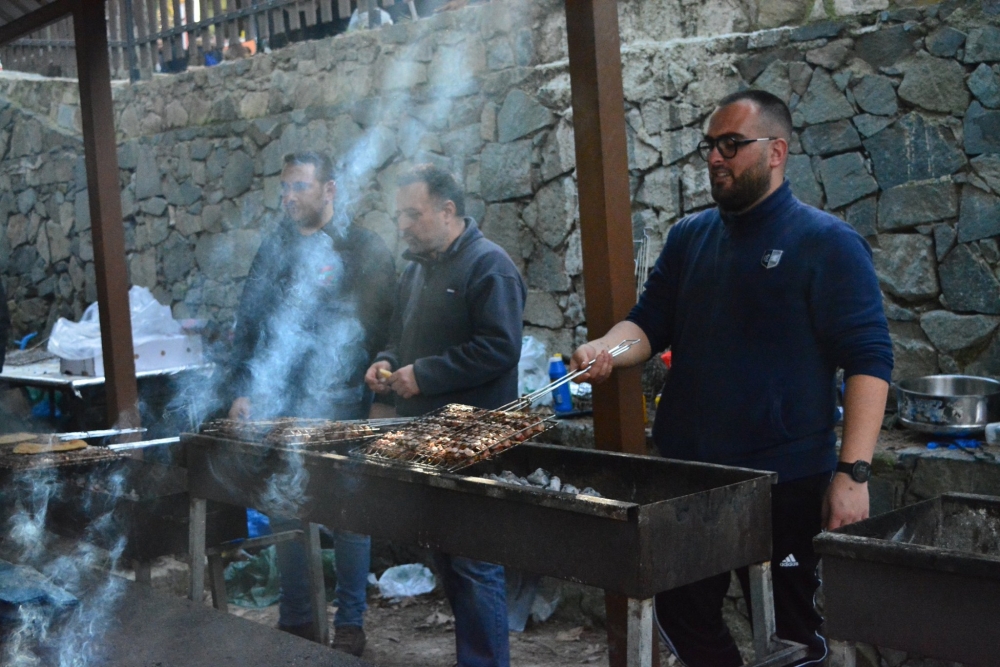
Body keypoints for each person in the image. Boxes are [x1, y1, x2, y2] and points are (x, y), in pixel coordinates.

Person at [569, 90, 893, 666]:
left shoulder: (827, 243)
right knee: (679, 612)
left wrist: (853, 474)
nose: (716, 158)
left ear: (776, 152)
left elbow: (869, 360)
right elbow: (648, 324)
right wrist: (608, 349)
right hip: (693, 476)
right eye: (711, 146)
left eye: (731, 145)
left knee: (796, 638)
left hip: (787, 482)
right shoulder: (690, 236)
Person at [226, 151, 395, 656]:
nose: (289, 197)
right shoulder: (274, 248)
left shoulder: (364, 248)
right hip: (280, 401)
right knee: (284, 504)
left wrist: (379, 393)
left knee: (348, 513)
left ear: (330, 190)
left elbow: (387, 327)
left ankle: (350, 622)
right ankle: (297, 616)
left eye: (300, 186)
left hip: (345, 402)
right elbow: (249, 320)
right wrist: (243, 388)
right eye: (285, 188)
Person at [364, 163, 526, 667]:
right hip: (427, 437)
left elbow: (500, 349)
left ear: (448, 211)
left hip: (476, 438)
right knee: (447, 557)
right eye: (399, 216)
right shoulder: (415, 270)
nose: (403, 226)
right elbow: (397, 336)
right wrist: (387, 362)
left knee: (476, 562)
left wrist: (426, 375)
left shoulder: (489, 266)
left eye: (413, 214)